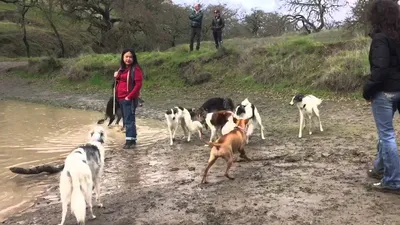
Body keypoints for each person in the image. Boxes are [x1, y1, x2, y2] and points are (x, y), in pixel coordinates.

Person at [362, 0, 400, 193]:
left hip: (385, 92)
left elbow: (380, 70)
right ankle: (380, 168)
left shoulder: (380, 38)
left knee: (387, 136)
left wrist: (367, 90)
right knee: (387, 136)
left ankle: (393, 181)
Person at [113, 48, 143, 149]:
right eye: (126, 56)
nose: (128, 59)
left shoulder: (136, 69)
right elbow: (119, 81)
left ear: (133, 58)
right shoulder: (122, 68)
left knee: (129, 120)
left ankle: (129, 142)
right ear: (123, 57)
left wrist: (129, 97)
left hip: (128, 99)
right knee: (126, 120)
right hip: (121, 98)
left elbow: (138, 85)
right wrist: (116, 76)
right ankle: (132, 140)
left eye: (130, 57)